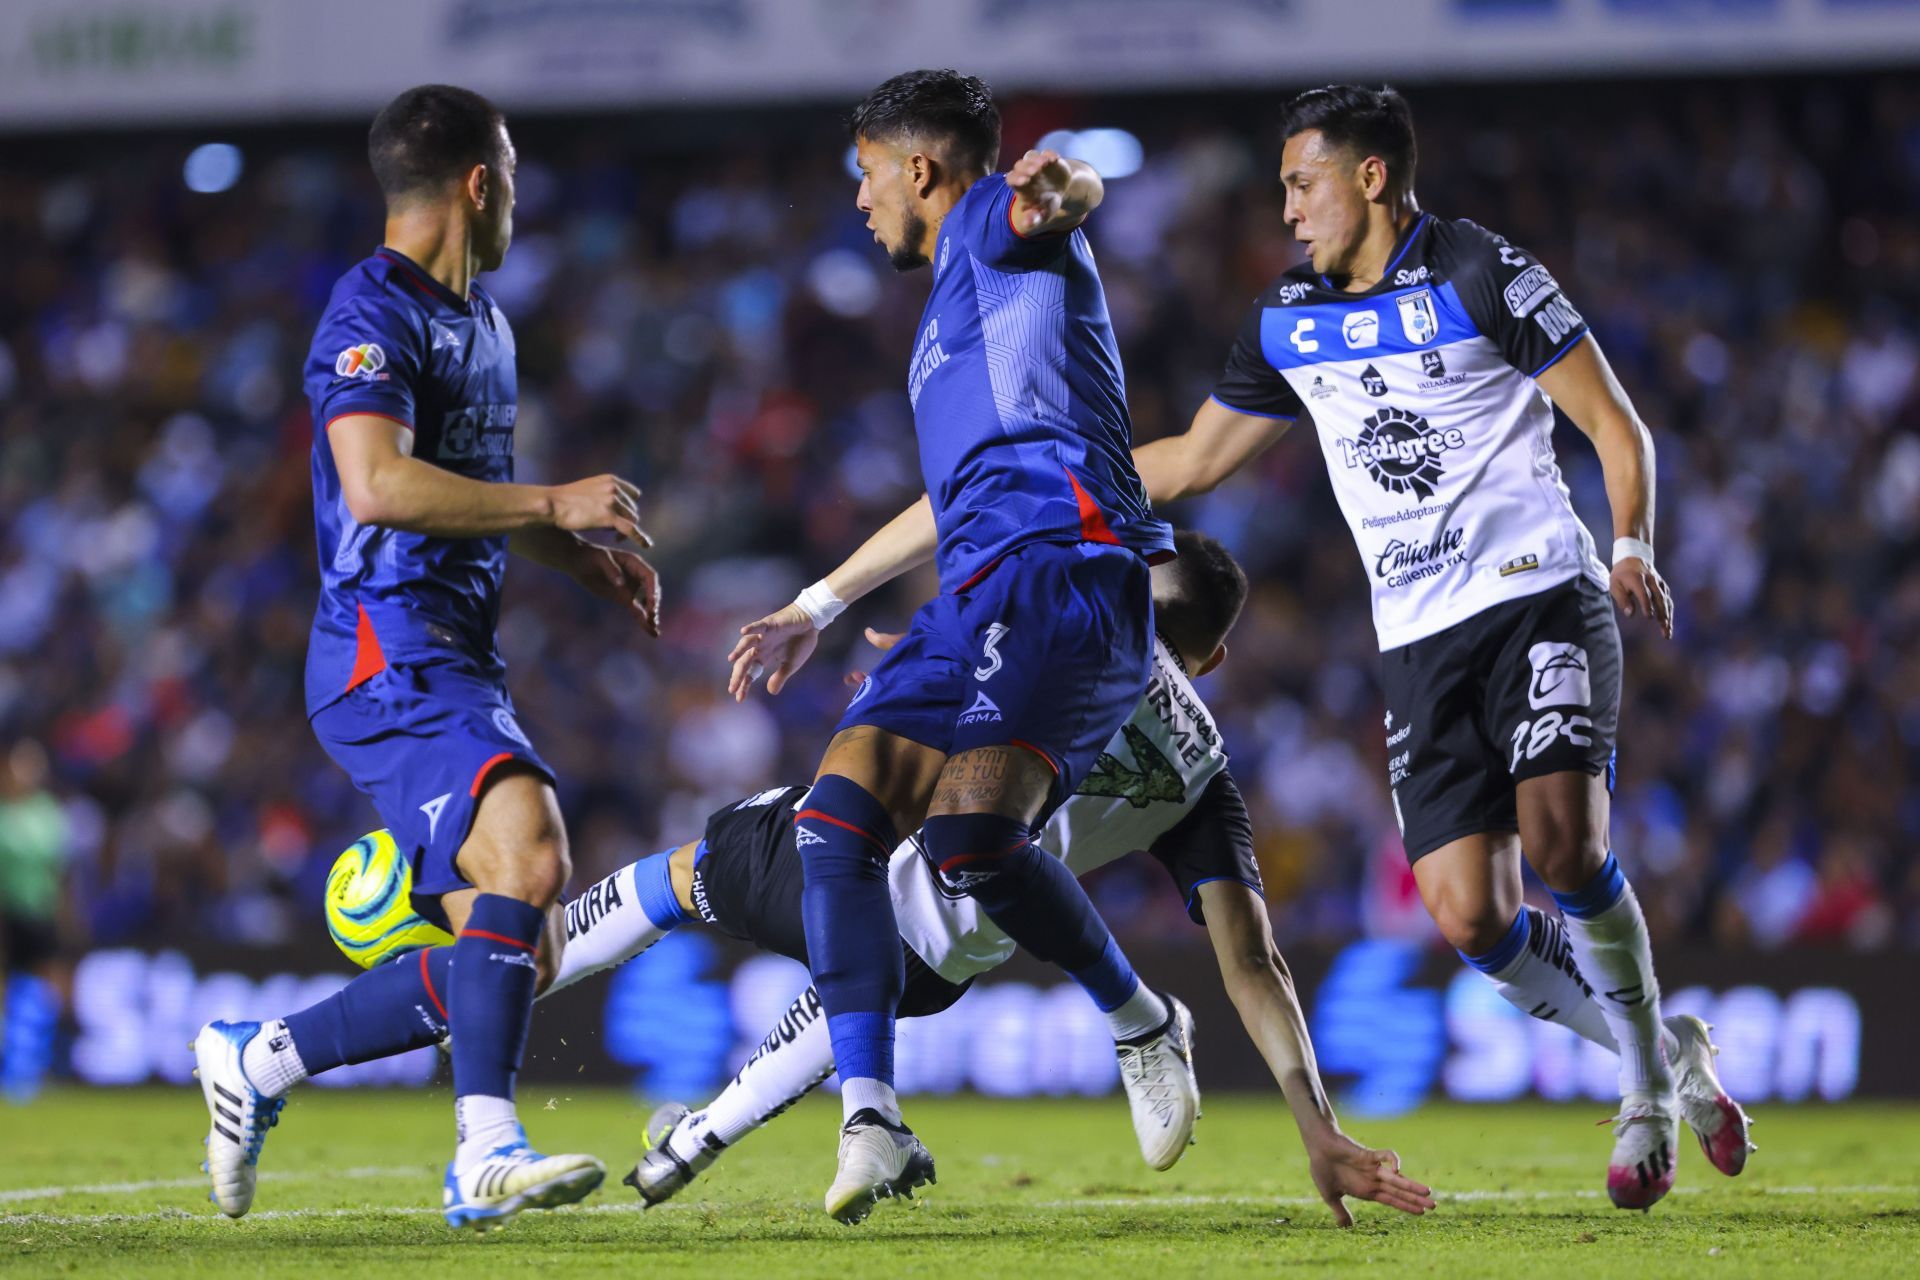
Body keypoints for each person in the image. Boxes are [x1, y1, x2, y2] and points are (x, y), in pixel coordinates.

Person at [1129, 84, 1752, 1210]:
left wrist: (1630, 542)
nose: (1285, 210)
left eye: (1301, 183)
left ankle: (1647, 1091)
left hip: (1538, 594)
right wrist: (1041, 490)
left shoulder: (1480, 271)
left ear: (1371, 176)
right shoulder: (1287, 317)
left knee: (1565, 844)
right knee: (1470, 914)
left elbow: (1614, 423)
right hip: (1416, 636)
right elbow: (1190, 461)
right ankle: (1668, 1042)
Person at [545, 531, 1435, 1225]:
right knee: (861, 984)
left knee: (688, 874)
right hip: (945, 964)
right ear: (1213, 659)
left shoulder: (1064, 628)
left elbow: (938, 653)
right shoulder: (1204, 772)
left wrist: (894, 654)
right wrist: (1318, 1128)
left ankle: (507, 972)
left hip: (865, 871)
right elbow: (1256, 964)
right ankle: (694, 1142)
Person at [191, 84, 661, 1231]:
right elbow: (378, 483)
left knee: (520, 944)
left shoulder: (486, 325)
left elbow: (471, 495)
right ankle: (484, 1149)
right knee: (532, 846)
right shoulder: (372, 307)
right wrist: (552, 493)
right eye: (511, 174)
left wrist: (568, 551)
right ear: (479, 181)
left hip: (456, 651)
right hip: (383, 646)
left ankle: (259, 1060)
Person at [725, 69, 1187, 1223]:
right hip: (973, 592)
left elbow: (1057, 200)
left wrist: (1064, 184)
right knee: (831, 818)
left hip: (1061, 570)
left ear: (920, 168)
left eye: (867, 173)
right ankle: (871, 1117)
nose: (862, 198)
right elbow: (948, 496)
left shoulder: (989, 222)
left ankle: (1141, 1016)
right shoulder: (948, 312)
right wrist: (818, 601)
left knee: (971, 839)